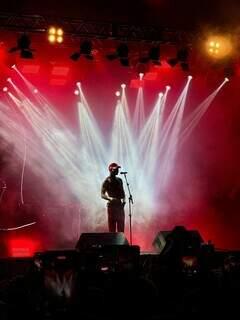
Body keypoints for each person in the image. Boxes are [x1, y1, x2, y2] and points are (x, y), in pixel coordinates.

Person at [101, 163, 126, 232]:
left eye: (118, 169)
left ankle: (121, 242)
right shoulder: (107, 181)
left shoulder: (120, 180)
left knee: (121, 229)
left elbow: (123, 193)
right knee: (112, 229)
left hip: (119, 206)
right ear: (111, 170)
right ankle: (113, 242)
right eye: (116, 169)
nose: (118, 170)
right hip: (112, 207)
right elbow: (102, 194)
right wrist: (110, 198)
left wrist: (124, 201)